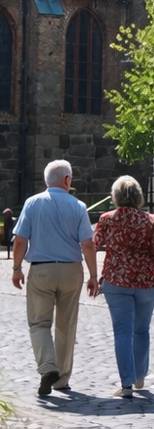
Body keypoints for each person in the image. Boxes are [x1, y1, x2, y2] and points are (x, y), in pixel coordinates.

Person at [10, 159, 100, 396]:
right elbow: (88, 244)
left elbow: (20, 240)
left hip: (41, 270)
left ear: (46, 181)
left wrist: (17, 268)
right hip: (71, 271)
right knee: (66, 325)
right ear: (67, 180)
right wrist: (93, 275)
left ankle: (47, 367)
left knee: (39, 323)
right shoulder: (79, 206)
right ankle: (61, 380)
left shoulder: (32, 203)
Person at [93, 176, 154, 398]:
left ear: (115, 196)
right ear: (138, 197)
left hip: (117, 280)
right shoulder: (150, 221)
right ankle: (140, 376)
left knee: (122, 332)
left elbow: (93, 245)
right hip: (147, 281)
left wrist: (91, 274)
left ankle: (126, 384)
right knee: (141, 330)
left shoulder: (107, 219)